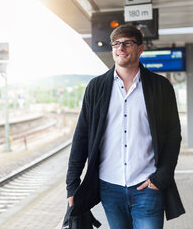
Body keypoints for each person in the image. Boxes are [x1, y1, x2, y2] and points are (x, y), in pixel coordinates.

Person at [64, 24, 185, 229]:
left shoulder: (161, 87)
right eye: (116, 44)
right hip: (109, 187)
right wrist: (72, 185)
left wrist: (161, 177)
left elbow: (174, 135)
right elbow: (82, 136)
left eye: (127, 43)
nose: (121, 48)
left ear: (140, 48)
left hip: (147, 186)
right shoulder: (96, 87)